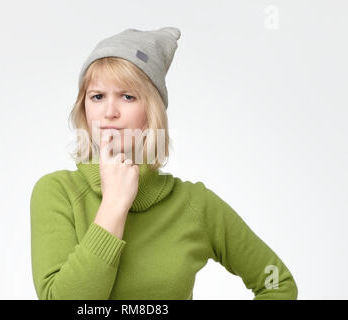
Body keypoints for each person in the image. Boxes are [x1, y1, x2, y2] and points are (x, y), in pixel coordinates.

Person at [30, 27, 298, 300]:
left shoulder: (195, 204)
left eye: (128, 96)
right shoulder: (57, 192)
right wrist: (114, 205)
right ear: (84, 110)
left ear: (152, 111)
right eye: (97, 96)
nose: (109, 112)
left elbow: (278, 283)